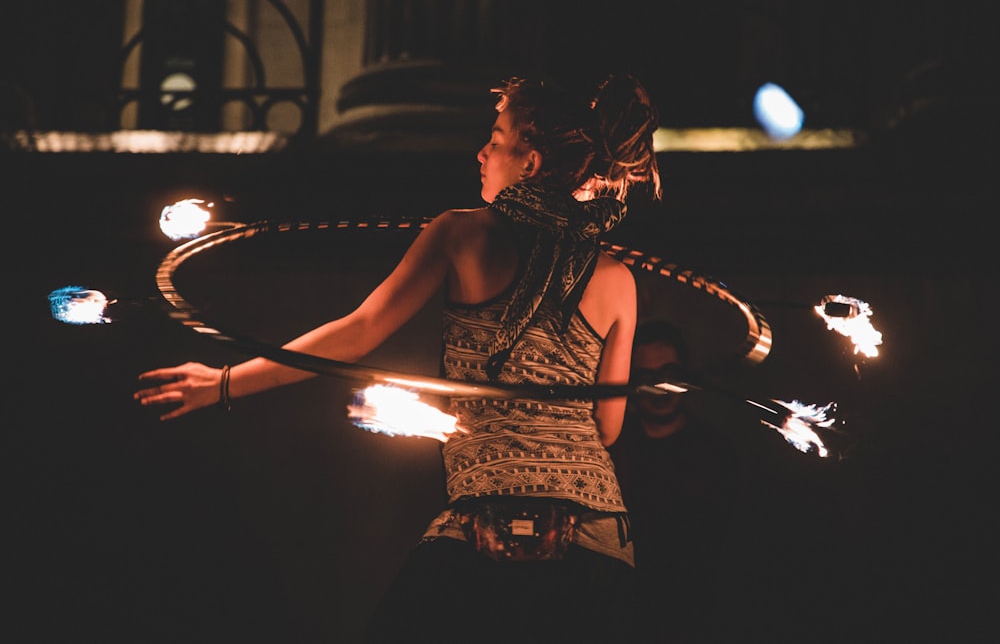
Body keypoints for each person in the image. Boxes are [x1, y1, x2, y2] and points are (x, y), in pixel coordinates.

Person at [134, 73, 662, 642]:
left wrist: (224, 383)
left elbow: (358, 332)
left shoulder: (462, 233)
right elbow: (606, 425)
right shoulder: (618, 278)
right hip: (599, 535)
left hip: (484, 517)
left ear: (529, 162)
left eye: (497, 135)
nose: (482, 151)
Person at [610, 319, 743, 643]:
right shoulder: (610, 454)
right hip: (624, 616)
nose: (660, 387)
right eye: (646, 377)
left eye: (670, 374)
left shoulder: (717, 454)